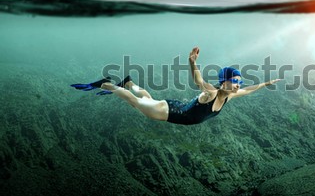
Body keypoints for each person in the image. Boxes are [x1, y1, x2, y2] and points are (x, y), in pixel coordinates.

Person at [70, 47, 280, 125]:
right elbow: (198, 81)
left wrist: (266, 83)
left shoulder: (229, 96)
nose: (237, 86)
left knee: (146, 97)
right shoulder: (212, 93)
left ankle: (128, 82)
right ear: (223, 81)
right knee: (133, 101)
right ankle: (106, 84)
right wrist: (192, 62)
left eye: (238, 83)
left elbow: (249, 90)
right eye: (234, 82)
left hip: (173, 106)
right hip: (166, 112)